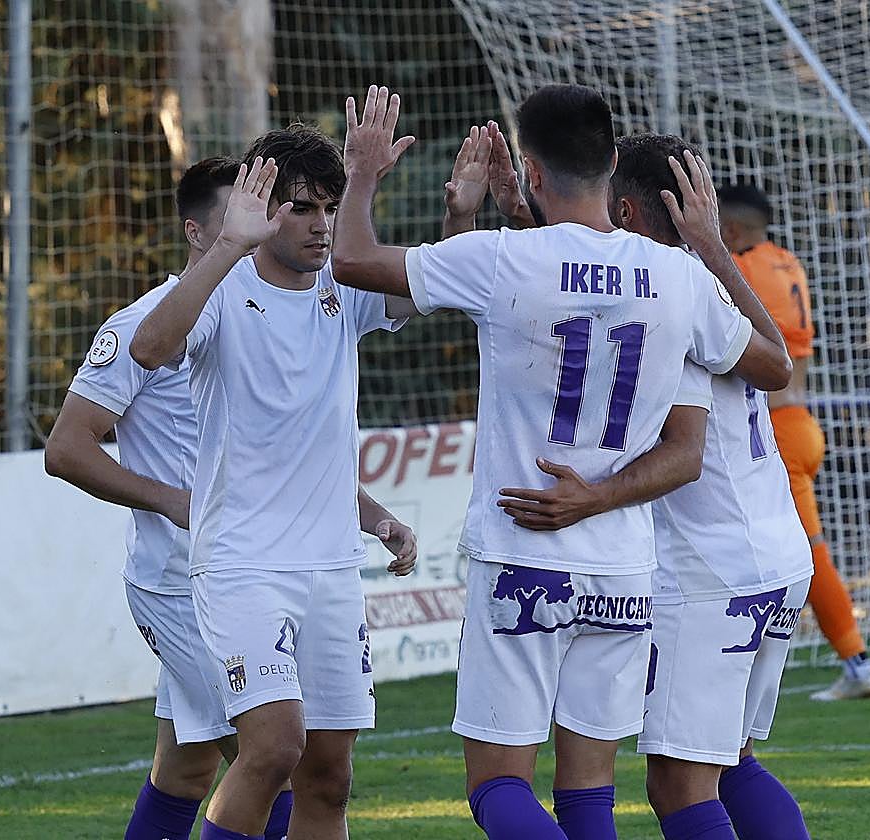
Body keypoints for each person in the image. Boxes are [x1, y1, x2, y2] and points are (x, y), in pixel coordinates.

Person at [331, 83, 791, 840]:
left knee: (498, 789)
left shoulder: (504, 260)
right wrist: (709, 248)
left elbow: (351, 258)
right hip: (624, 566)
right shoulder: (674, 276)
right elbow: (772, 364)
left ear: (534, 175)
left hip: (524, 554)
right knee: (588, 795)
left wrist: (364, 172)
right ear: (612, 162)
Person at [129, 127, 418, 840]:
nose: (321, 224)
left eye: (329, 207)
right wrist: (228, 244)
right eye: (301, 208)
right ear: (263, 211)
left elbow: (426, 293)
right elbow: (149, 348)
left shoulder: (342, 289)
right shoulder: (221, 291)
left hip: (331, 568)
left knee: (330, 775)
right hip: (241, 564)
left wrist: (425, 200)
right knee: (273, 748)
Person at [45, 157, 292, 840]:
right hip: (181, 584)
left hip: (242, 575)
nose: (256, 232)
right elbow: (67, 448)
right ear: (194, 231)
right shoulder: (141, 327)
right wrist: (169, 498)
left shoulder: (258, 318)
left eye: (263, 215)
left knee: (185, 773)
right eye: (236, 220)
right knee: (272, 761)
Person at [719, 182, 870, 701]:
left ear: (732, 230)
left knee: (807, 554)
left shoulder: (740, 270)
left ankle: (857, 663)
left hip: (777, 429)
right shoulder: (789, 263)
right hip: (798, 422)